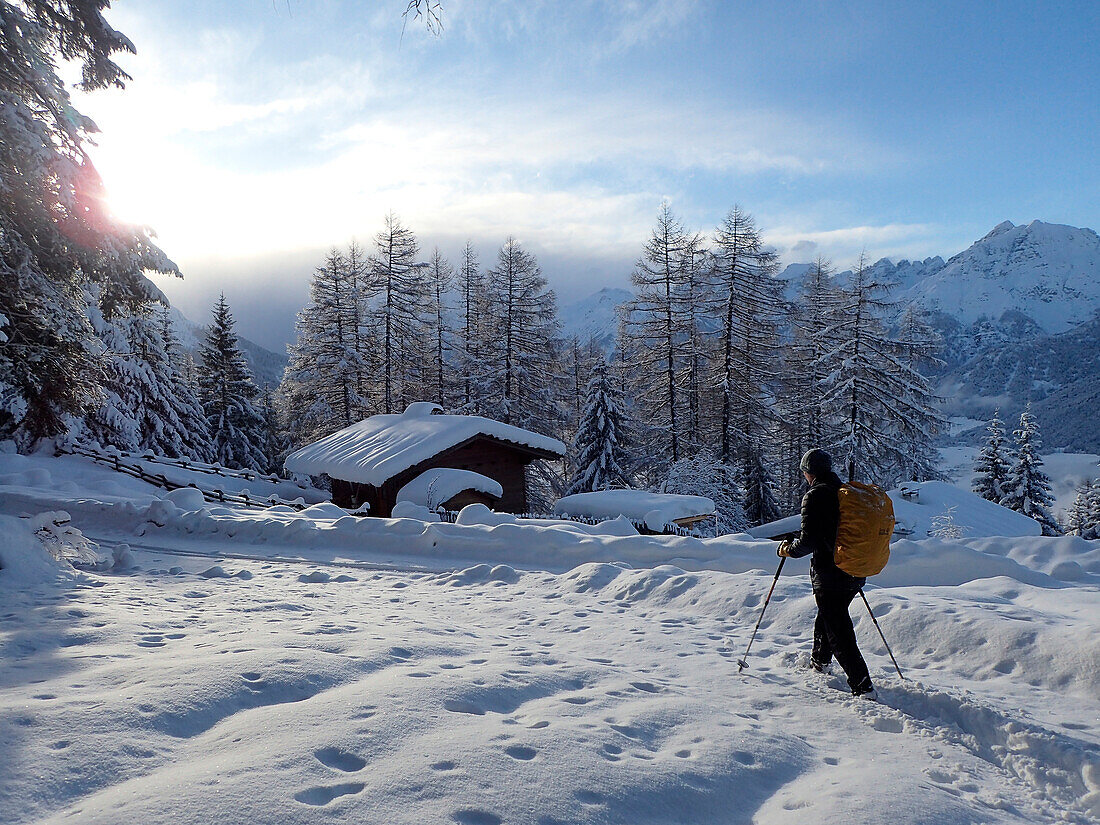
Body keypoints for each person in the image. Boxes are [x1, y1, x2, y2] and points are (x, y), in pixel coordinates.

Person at [778, 448, 876, 698]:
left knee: (837, 630)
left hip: (830, 573)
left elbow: (808, 542)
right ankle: (820, 661)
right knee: (830, 616)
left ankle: (862, 685)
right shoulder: (845, 492)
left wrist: (788, 549)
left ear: (808, 473)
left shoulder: (815, 496)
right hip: (854, 570)